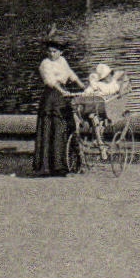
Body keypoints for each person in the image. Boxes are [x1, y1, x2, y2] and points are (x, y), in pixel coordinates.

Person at [32, 37, 85, 177]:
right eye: (49, 51)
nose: (51, 54)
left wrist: (83, 86)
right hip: (51, 97)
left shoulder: (62, 61)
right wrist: (62, 91)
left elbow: (71, 74)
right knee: (52, 128)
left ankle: (66, 163)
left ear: (60, 52)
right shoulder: (45, 64)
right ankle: (49, 167)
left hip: (63, 98)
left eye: (54, 51)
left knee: (65, 128)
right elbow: (50, 81)